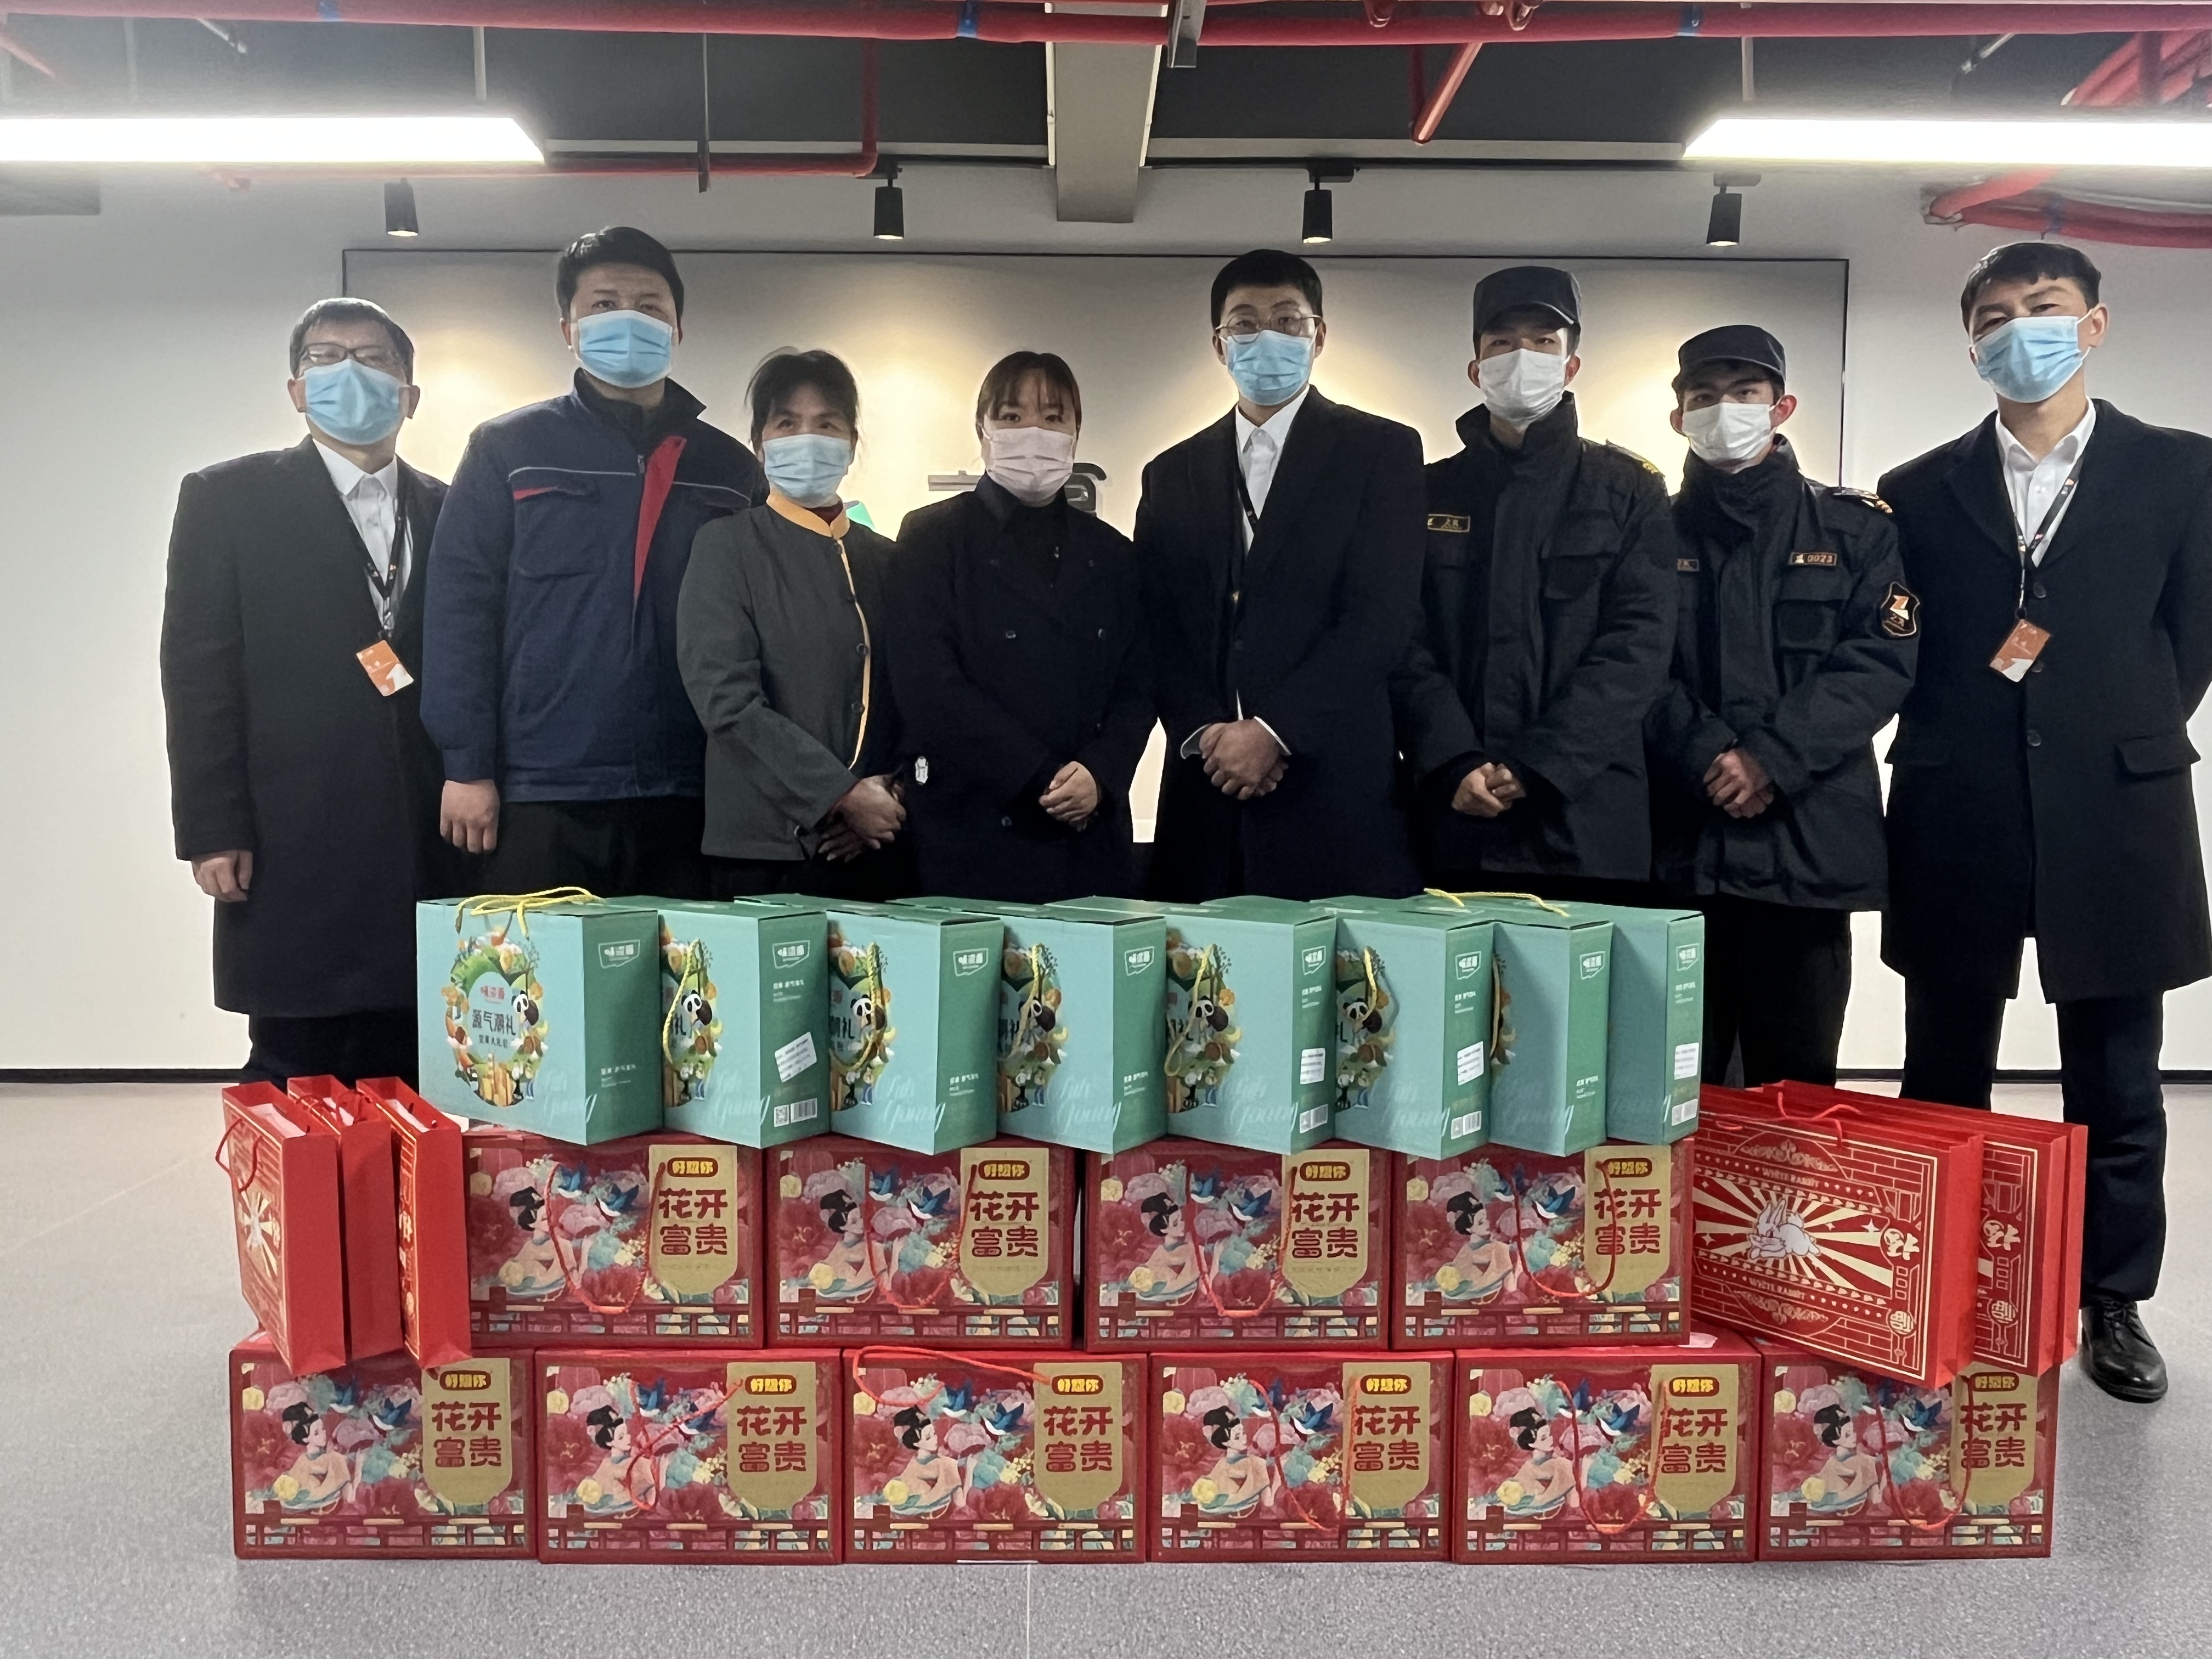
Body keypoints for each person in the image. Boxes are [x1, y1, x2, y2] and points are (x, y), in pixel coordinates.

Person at [1879, 241, 2212, 1406]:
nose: (2021, 329)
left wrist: (2098, 732)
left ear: (2095, 324)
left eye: (2046, 306)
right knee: (1943, 1069)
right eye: (1995, 315)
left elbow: (2191, 640)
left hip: (2118, 805)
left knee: (2117, 1079)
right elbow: (1908, 644)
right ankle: (1938, 1286)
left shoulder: (2182, 470)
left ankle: (2111, 1299)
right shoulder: (1918, 486)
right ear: (1971, 342)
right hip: (1956, 800)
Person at [160, 297, 458, 1088]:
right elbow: (198, 673)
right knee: (295, 1063)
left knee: (416, 1066)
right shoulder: (228, 499)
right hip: (290, 827)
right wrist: (212, 828)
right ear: (297, 390)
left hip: (425, 829)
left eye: (374, 359)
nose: (350, 373)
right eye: (327, 358)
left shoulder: (452, 507)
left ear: (409, 395)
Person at [422, 226, 764, 899]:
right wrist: (466, 766)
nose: (627, 319)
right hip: (543, 785)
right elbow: (460, 609)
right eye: (604, 304)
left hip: (691, 786)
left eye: (649, 305)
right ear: (568, 329)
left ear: (678, 328)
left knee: (685, 970)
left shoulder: (729, 468)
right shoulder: (509, 449)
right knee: (539, 969)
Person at [1648, 325, 1917, 1087]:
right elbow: (1632, 664)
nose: (1724, 410)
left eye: (1745, 393)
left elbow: (1880, 659)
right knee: (1672, 1085)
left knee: (1795, 1089)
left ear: (1782, 406)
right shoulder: (1648, 532)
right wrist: (1710, 754)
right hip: (1681, 848)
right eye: (1705, 396)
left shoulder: (1857, 528)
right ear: (1679, 417)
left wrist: (1769, 758)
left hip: (1808, 848)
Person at [1136, 249, 1425, 901]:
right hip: (1205, 801)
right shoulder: (1172, 473)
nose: (1266, 336)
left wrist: (1275, 732)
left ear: (1318, 336)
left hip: (1333, 792)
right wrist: (1209, 735)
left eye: (1288, 320)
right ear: (1220, 344)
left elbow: (1380, 618)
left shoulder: (1382, 451)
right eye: (1245, 323)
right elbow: (1157, 628)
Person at [1392, 265, 1677, 904]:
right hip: (1453, 820)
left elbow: (1638, 647)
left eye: (1543, 341)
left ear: (1571, 365)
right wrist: (1453, 760)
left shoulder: (1630, 490)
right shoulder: (1426, 491)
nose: (1522, 356)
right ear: (1476, 369)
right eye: (1502, 343)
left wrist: (1538, 767)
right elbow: (1401, 640)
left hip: (1587, 825)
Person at [891, 351, 1154, 901]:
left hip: (1089, 835)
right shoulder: (932, 538)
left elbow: (1140, 684)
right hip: (972, 832)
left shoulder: (1113, 553)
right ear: (982, 430)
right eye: (1012, 417)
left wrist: (1101, 773)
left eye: (1053, 417)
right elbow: (929, 686)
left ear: (1076, 433)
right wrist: (1039, 775)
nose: (1034, 432)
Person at [676, 349, 908, 900]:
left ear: (851, 444)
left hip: (874, 847)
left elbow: (918, 696)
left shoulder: (890, 559)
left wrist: (891, 793)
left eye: (827, 424)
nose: (808, 438)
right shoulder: (726, 546)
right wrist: (841, 795)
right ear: (760, 445)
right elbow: (726, 699)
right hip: (764, 852)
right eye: (787, 423)